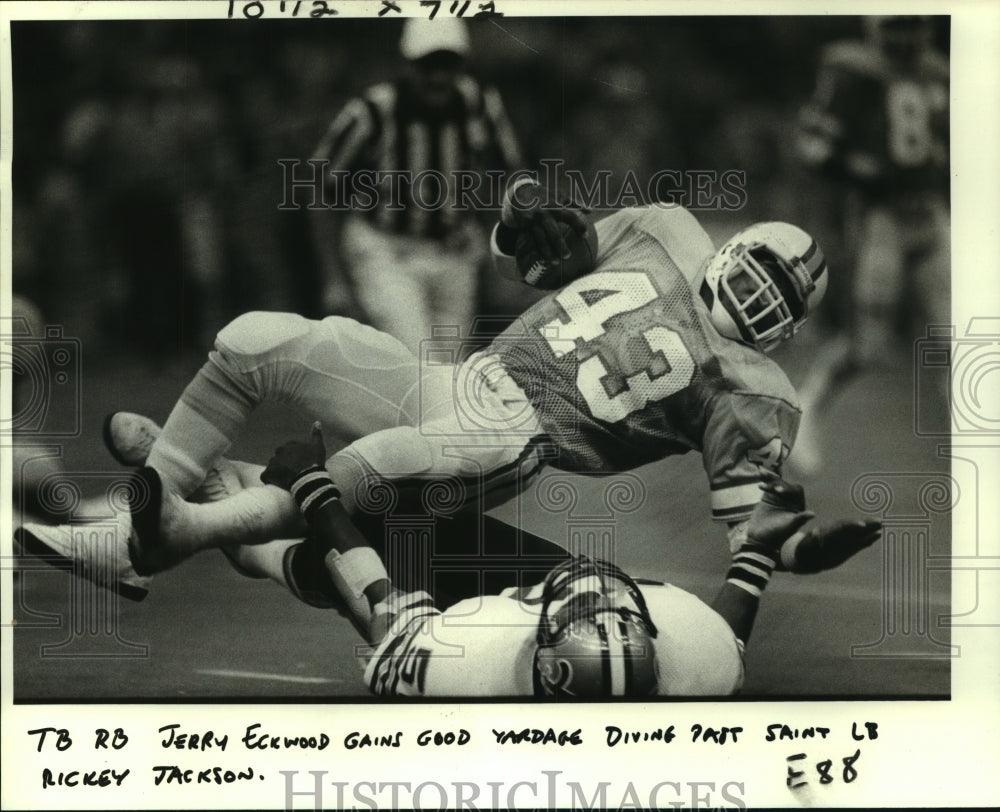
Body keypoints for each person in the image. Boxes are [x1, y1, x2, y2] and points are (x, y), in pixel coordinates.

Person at [21, 183, 829, 598]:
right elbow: (537, 262)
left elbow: (751, 524)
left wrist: (793, 548)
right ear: (735, 247)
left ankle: (167, 531)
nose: (761, 301)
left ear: (790, 328)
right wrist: (526, 224)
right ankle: (156, 507)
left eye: (781, 302)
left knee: (354, 482)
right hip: (458, 381)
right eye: (760, 276)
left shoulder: (757, 390)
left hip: (515, 439)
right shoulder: (668, 228)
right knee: (257, 340)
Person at [17, 424, 882, 697]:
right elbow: (727, 625)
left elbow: (378, 600)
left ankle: (198, 503)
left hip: (456, 633)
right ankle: (206, 498)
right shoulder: (691, 657)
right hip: (575, 628)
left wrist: (313, 489)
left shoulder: (467, 664)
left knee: (327, 540)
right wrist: (763, 549)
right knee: (379, 511)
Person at [793, 15, 949, 472]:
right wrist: (850, 166)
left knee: (958, 336)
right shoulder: (852, 68)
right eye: (896, 26)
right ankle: (809, 409)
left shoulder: (938, 70)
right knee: (867, 345)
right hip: (881, 217)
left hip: (932, 211)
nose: (904, 37)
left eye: (913, 25)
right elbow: (812, 145)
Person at [310, 17, 522, 351]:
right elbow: (320, 186)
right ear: (406, 65)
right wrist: (332, 277)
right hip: (388, 251)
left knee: (446, 374)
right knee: (417, 360)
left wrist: (506, 246)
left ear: (462, 65)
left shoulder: (479, 103)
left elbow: (511, 173)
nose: (438, 77)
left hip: (455, 252)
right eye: (427, 65)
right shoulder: (373, 111)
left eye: (447, 65)